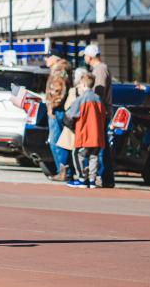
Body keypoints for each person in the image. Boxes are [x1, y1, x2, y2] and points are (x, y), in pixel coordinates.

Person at [64, 67, 104, 188]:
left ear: (84, 84)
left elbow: (70, 114)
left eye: (81, 84)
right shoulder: (98, 99)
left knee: (77, 155)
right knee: (94, 157)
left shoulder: (81, 99)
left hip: (84, 133)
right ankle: (92, 180)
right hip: (97, 135)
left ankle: (82, 179)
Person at [83, 44, 114, 187]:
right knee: (101, 145)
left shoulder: (100, 69)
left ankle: (105, 177)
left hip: (101, 112)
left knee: (101, 145)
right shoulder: (99, 69)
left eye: (85, 55)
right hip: (102, 112)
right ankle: (105, 177)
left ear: (90, 56)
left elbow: (99, 92)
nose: (84, 58)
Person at [43, 53, 72, 181]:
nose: (46, 59)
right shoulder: (61, 70)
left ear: (55, 58)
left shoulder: (59, 71)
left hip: (58, 110)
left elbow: (59, 90)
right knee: (60, 141)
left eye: (48, 56)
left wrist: (52, 107)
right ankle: (64, 171)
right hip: (59, 109)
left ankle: (64, 172)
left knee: (57, 142)